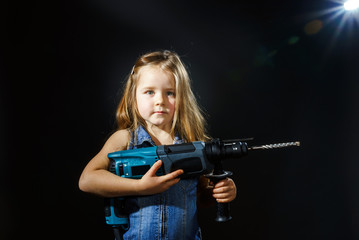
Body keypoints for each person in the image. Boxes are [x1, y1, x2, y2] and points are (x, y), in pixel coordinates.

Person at [79, 50, 237, 240]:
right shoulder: (124, 139)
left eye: (170, 93)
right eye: (149, 92)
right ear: (133, 97)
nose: (160, 100)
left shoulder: (193, 144)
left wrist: (222, 191)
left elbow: (203, 197)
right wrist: (140, 187)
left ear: (182, 98)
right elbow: (87, 180)